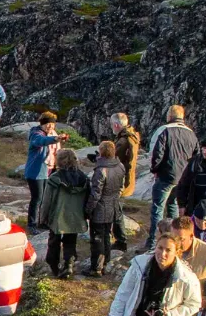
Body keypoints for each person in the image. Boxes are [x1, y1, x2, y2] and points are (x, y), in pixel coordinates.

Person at [144, 105, 198, 248]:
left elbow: (156, 153)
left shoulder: (164, 130)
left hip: (166, 175)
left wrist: (155, 169)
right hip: (183, 177)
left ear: (169, 116)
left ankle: (153, 242)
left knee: (158, 209)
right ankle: (175, 240)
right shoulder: (191, 134)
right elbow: (196, 156)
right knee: (174, 206)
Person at [40, 150, 90, 279]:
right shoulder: (83, 178)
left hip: (57, 215)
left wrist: (42, 218)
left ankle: (54, 266)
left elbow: (47, 201)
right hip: (75, 216)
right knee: (70, 241)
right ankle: (69, 265)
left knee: (54, 241)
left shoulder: (55, 178)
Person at [85, 140, 126, 276]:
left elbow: (96, 194)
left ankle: (96, 268)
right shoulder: (120, 166)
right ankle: (106, 262)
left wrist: (88, 209)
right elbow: (121, 187)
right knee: (107, 235)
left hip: (100, 208)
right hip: (113, 205)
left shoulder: (101, 170)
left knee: (97, 238)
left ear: (101, 152)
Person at [22, 112, 62, 230]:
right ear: (42, 124)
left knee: (46, 198)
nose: (50, 126)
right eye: (47, 124)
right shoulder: (36, 134)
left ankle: (43, 222)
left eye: (52, 124)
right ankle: (32, 224)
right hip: (36, 172)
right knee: (37, 198)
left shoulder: (53, 134)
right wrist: (55, 139)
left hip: (50, 170)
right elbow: (41, 141)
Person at [110, 113, 141, 253]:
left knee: (116, 212)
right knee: (117, 211)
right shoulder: (132, 135)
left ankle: (120, 241)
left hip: (120, 181)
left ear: (116, 125)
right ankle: (120, 239)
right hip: (126, 179)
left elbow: (114, 158)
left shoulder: (123, 141)